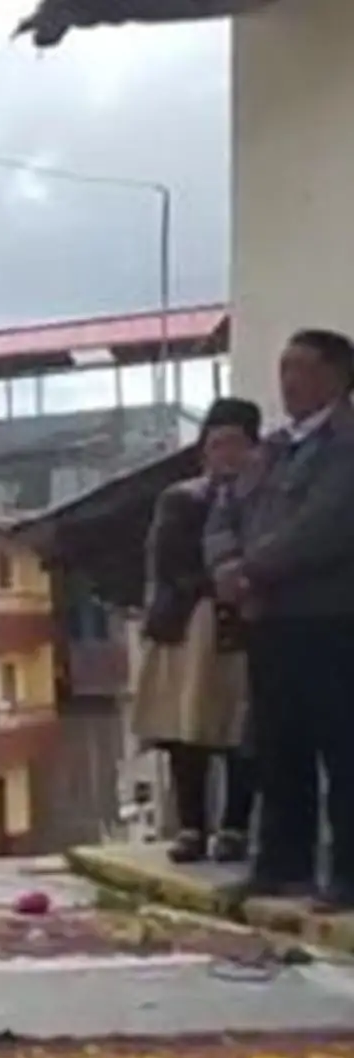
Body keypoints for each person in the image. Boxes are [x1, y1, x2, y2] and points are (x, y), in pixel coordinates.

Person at [208, 328, 354, 909]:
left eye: (301, 368)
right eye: (284, 368)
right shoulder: (270, 449)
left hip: (331, 617)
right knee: (277, 745)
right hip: (270, 620)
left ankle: (347, 876)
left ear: (336, 376)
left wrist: (251, 570)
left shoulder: (346, 445)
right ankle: (281, 865)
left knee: (342, 747)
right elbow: (223, 511)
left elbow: (325, 526)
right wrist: (225, 566)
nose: (288, 381)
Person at [133, 398, 262, 865]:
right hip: (191, 627)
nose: (226, 454)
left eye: (236, 444)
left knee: (241, 731)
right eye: (217, 444)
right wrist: (219, 582)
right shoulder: (182, 499)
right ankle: (192, 826)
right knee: (187, 732)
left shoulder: (264, 498)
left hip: (246, 626)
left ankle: (235, 827)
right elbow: (168, 562)